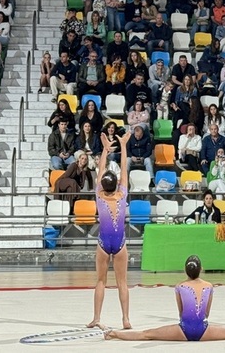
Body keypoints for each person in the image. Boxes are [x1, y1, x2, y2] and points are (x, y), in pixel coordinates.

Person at [105, 255, 225, 342]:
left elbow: (181, 313)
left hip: (183, 330)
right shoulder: (209, 286)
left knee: (147, 334)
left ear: (185, 270)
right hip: (203, 330)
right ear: (201, 269)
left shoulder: (180, 286)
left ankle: (114, 334)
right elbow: (206, 314)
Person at [88, 131, 133, 331]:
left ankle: (97, 317)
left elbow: (100, 172)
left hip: (104, 243)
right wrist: (123, 145)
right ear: (116, 185)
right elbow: (124, 169)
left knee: (100, 281)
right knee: (122, 283)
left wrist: (105, 150)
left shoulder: (99, 195)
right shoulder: (122, 194)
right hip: (120, 242)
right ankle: (125, 319)